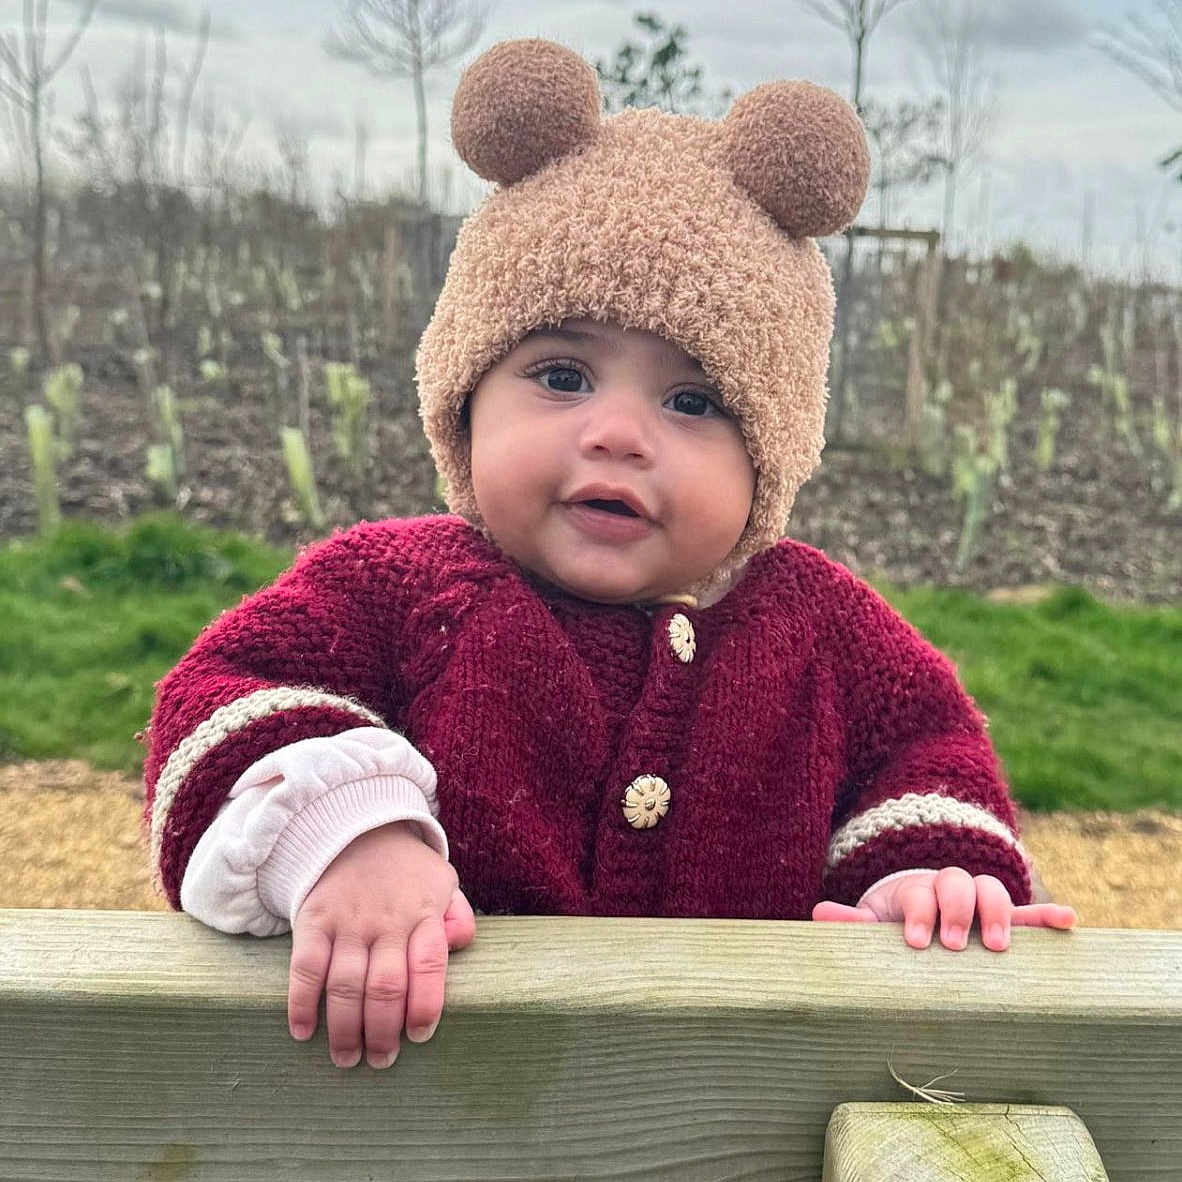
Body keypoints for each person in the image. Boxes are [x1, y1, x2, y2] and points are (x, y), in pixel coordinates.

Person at [143, 38, 1075, 1073]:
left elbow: (923, 751)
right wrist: (350, 838)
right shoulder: (399, 586)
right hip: (439, 1119)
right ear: (463, 402)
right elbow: (222, 694)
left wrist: (921, 875)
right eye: (560, 374)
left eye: (693, 401)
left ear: (770, 457)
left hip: (716, 1124)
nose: (620, 433)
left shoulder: (824, 628)